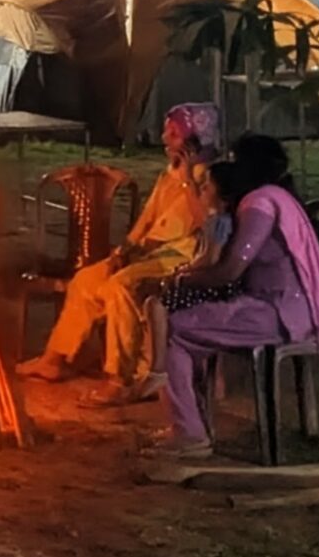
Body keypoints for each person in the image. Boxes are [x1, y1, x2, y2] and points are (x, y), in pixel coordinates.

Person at [16, 102, 223, 396]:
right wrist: (123, 251)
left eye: (173, 134)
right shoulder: (171, 173)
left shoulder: (210, 178)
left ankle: (120, 377)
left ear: (194, 141)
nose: (164, 138)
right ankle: (55, 359)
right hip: (149, 253)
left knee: (121, 286)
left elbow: (206, 222)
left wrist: (190, 180)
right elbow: (149, 217)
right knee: (88, 280)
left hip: (182, 258)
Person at [149, 143, 319, 460]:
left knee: (171, 330)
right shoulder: (275, 197)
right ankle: (191, 421)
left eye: (233, 159)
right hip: (287, 309)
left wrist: (180, 280)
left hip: (276, 312)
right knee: (188, 325)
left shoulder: (259, 203)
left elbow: (230, 269)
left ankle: (189, 433)